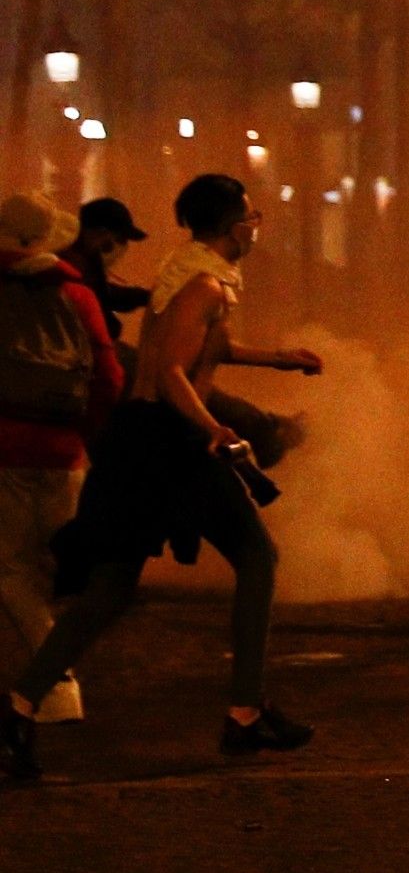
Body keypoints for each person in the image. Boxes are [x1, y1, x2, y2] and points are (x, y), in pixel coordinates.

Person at [0, 172, 323, 778]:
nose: (257, 225)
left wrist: (280, 359)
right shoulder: (204, 285)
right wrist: (214, 429)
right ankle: (245, 713)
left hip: (140, 441)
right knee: (257, 555)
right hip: (168, 443)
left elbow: (203, 349)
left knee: (111, 588)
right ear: (232, 226)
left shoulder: (190, 274)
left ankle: (18, 709)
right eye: (251, 216)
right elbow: (174, 370)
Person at [0, 195, 118, 727]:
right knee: (60, 566)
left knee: (13, 571)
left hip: (6, 452)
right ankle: (52, 673)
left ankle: (56, 684)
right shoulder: (78, 294)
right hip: (66, 453)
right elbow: (108, 377)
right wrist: (89, 435)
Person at [60, 198, 149, 348]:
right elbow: (95, 302)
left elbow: (103, 294)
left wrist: (142, 296)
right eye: (119, 239)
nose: (121, 247)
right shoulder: (72, 264)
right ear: (101, 233)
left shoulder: (87, 258)